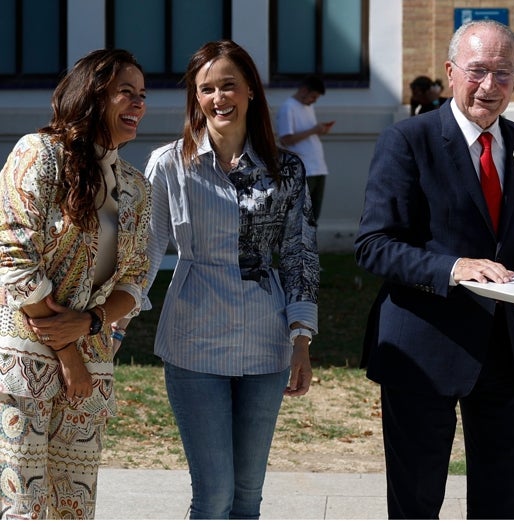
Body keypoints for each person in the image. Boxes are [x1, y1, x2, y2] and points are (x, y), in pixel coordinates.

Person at [354, 19, 514, 519]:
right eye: (478, 70)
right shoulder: (408, 142)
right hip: (422, 352)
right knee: (417, 502)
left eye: (503, 73)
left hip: (502, 357)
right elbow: (374, 245)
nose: (490, 86)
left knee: (505, 503)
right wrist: (454, 267)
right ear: (450, 72)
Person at [138, 40, 318, 519]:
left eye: (228, 86)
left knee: (247, 498)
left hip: (267, 342)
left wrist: (301, 339)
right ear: (195, 98)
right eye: (207, 89)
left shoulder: (287, 170)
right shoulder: (169, 164)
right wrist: (112, 320)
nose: (219, 98)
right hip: (193, 338)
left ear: (251, 92)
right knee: (213, 496)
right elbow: (148, 249)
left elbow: (299, 253)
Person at [0, 49, 150, 518]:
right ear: (92, 95)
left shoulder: (134, 184)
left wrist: (91, 325)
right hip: (25, 366)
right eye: (125, 92)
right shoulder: (37, 153)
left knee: (73, 510)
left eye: (142, 95)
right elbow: (14, 258)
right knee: (23, 508)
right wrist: (68, 354)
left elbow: (136, 278)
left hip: (91, 372)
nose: (138, 104)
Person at [275, 74, 333, 226]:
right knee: (300, 216)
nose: (314, 100)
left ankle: (308, 248)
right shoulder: (288, 108)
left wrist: (318, 130)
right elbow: (285, 139)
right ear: (303, 90)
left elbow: (306, 132)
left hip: (318, 167)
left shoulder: (308, 106)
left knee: (313, 216)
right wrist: (313, 130)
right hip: (303, 168)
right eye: (313, 96)